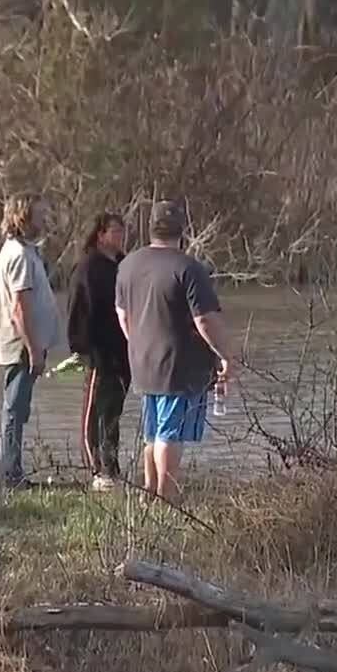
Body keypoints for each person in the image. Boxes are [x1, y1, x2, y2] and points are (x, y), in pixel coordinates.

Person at [115, 198, 233, 504]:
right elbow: (205, 319)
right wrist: (225, 355)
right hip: (178, 365)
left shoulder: (128, 265)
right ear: (182, 230)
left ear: (150, 227)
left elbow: (122, 315)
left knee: (152, 432)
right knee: (170, 433)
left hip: (142, 361)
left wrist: (138, 342)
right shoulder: (189, 268)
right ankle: (166, 499)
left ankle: (150, 493)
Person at [0, 193, 63, 490]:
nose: (44, 221)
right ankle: (10, 475)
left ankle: (9, 469)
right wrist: (34, 351)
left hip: (27, 344)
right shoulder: (18, 255)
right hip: (21, 345)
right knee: (14, 410)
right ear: (23, 217)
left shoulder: (24, 250)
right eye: (39, 215)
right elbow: (19, 308)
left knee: (18, 409)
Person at [66, 211, 130, 493]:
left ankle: (111, 466)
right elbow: (78, 310)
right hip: (98, 351)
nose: (119, 236)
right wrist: (80, 348)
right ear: (100, 233)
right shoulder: (88, 267)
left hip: (123, 349)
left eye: (122, 230)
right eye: (114, 230)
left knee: (113, 411)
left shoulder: (123, 264)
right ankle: (96, 470)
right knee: (95, 411)